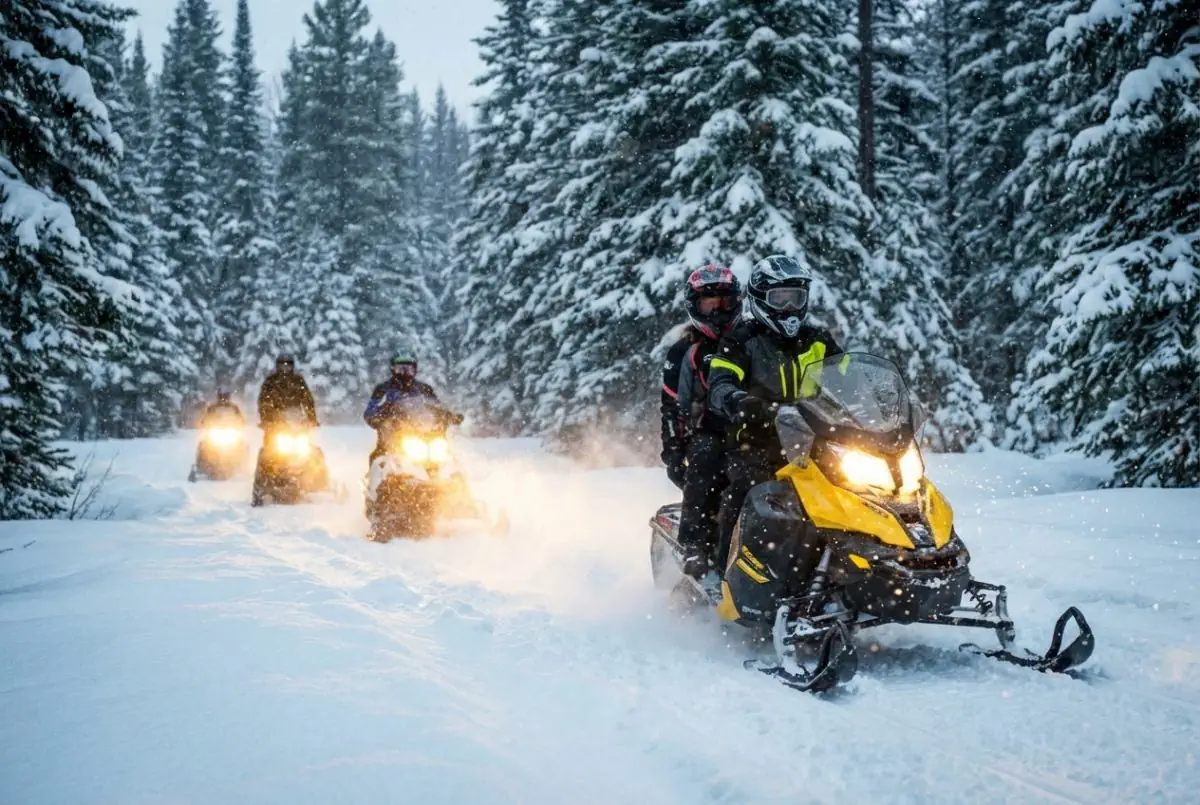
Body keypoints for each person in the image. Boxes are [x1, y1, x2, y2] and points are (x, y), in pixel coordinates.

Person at [707, 255, 841, 575]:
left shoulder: (818, 340)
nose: (790, 308)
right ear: (760, 300)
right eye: (780, 299)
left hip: (814, 441)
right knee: (748, 490)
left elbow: (846, 378)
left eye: (797, 298)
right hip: (757, 440)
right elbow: (721, 383)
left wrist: (870, 401)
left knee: (855, 487)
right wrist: (741, 401)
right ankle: (724, 569)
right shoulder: (741, 341)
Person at [660, 264, 742, 580]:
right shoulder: (685, 351)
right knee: (706, 459)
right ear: (696, 306)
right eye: (710, 304)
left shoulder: (750, 339)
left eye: (725, 302)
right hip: (707, 431)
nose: (718, 311)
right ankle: (693, 544)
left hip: (754, 429)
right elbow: (671, 406)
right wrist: (673, 451)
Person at [363, 354, 461, 466]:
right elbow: (371, 409)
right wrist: (375, 417)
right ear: (393, 369)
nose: (404, 372)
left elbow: (437, 406)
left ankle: (455, 474)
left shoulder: (424, 389)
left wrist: (449, 416)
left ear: (415, 370)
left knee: (446, 456)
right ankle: (376, 475)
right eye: (400, 369)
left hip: (422, 432)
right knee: (380, 456)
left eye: (408, 369)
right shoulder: (383, 389)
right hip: (392, 433)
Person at [257, 355, 318, 427]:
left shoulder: (298, 381)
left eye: (288, 366)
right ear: (278, 366)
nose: (285, 368)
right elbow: (263, 401)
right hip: (275, 420)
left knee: (306, 432)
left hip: (295, 418)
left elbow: (307, 400)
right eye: (282, 366)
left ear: (292, 367)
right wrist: (265, 419)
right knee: (270, 432)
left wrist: (311, 418)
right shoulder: (270, 381)